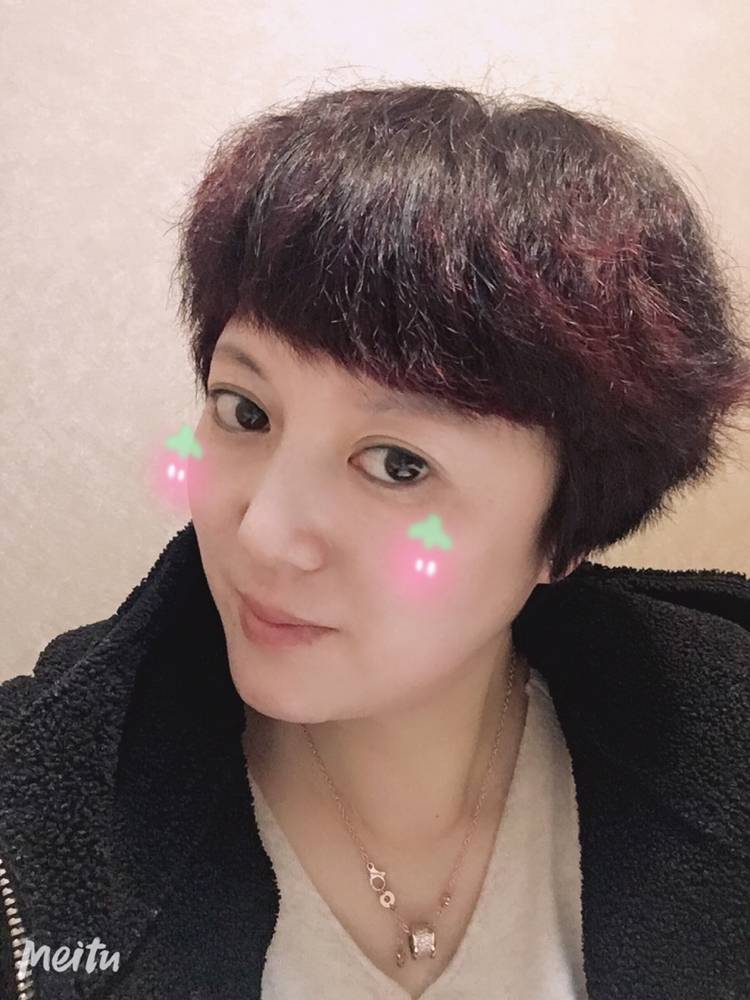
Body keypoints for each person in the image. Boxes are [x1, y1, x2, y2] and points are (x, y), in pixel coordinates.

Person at [1, 84, 749, 1000]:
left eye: (397, 463)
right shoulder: (34, 811)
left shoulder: (723, 746)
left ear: (567, 532)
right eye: (245, 411)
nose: (265, 534)